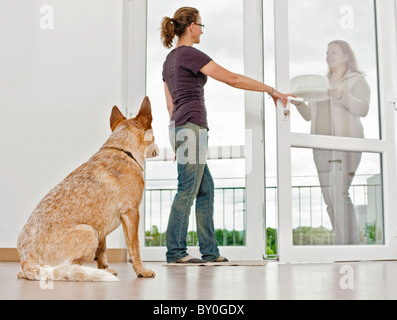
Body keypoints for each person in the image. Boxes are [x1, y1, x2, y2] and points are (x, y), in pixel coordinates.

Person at [161, 7, 292, 264]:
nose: (202, 30)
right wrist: (270, 90)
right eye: (201, 25)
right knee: (187, 190)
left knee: (205, 189)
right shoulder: (189, 54)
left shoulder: (169, 61)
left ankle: (210, 252)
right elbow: (231, 78)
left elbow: (169, 105)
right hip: (191, 128)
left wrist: (175, 136)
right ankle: (175, 252)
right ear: (191, 27)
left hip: (180, 127)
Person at [292, 40, 370, 245]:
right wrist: (299, 104)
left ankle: (349, 246)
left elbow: (363, 109)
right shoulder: (321, 83)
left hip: (347, 144)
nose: (328, 56)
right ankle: (342, 243)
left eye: (333, 52)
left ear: (346, 56)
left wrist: (343, 95)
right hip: (321, 146)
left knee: (340, 193)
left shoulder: (356, 80)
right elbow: (309, 116)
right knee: (329, 198)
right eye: (327, 52)